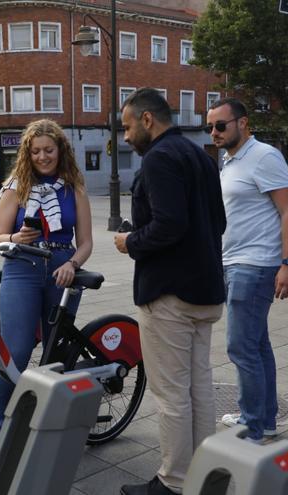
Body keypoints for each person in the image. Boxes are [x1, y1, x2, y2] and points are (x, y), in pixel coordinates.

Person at [113, 88, 226, 495]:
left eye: (127, 127)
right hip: (205, 288)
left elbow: (168, 225)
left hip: (169, 293)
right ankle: (204, 473)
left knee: (172, 393)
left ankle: (175, 482)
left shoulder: (159, 158)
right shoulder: (201, 155)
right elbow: (219, 222)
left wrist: (131, 243)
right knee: (199, 386)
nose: (125, 137)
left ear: (147, 120)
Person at [0, 118, 93, 445]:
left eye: (49, 150)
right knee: (15, 351)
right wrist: (16, 236)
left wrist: (74, 264)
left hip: (62, 269)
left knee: (55, 352)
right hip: (22, 265)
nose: (43, 157)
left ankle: (51, 424)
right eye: (35, 152)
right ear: (27, 154)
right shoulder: (15, 186)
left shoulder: (74, 187)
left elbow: (86, 241)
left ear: (61, 150)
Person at [206, 98, 288, 443]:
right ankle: (263, 419)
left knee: (241, 347)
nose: (214, 132)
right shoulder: (230, 161)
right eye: (210, 126)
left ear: (243, 123)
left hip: (255, 264)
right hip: (235, 261)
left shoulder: (264, 156)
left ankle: (253, 427)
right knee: (257, 346)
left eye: (221, 125)